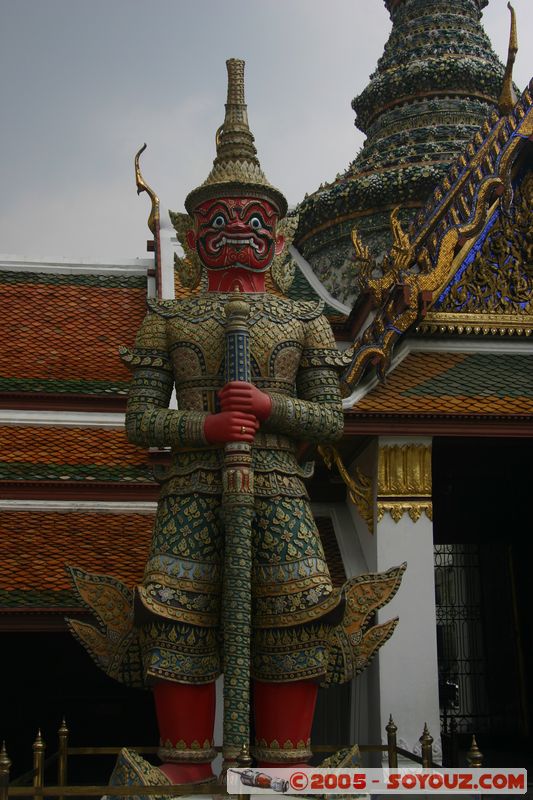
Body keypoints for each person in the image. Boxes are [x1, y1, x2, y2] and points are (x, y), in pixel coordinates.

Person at [69, 58, 404, 790]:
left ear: (278, 234)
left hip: (280, 494)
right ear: (195, 233)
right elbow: (137, 420)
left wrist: (266, 409)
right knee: (176, 627)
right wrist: (209, 431)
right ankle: (186, 774)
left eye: (254, 217)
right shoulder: (172, 317)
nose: (237, 231)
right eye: (220, 219)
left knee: (294, 627)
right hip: (191, 495)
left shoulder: (303, 318)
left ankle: (283, 773)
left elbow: (328, 423)